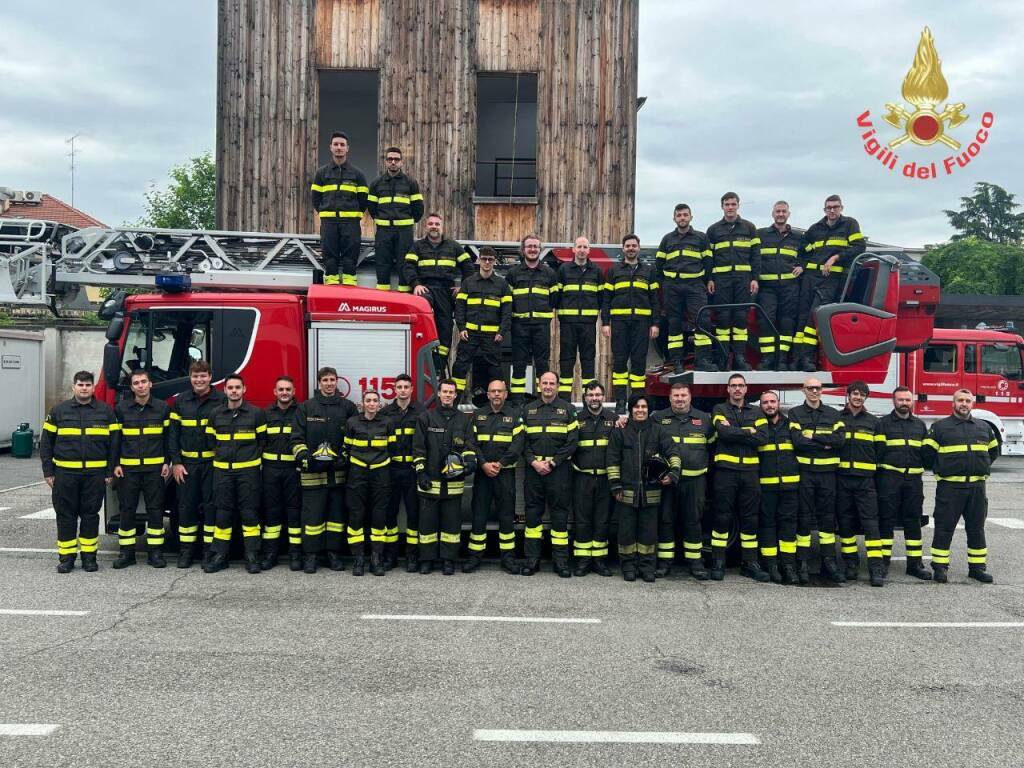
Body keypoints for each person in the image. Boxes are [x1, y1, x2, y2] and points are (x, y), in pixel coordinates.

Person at [40, 371, 118, 573]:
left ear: (93, 388)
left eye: (87, 385)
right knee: (65, 516)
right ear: (73, 387)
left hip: (95, 475)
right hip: (65, 475)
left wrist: (109, 471)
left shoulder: (106, 412)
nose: (84, 388)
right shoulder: (58, 411)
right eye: (80, 385)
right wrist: (48, 471)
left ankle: (89, 558)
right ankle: (66, 558)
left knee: (91, 516)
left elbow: (114, 445)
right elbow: (46, 444)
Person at [922, 389, 1000, 584]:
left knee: (976, 529)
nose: (964, 404)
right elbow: (926, 455)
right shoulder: (940, 427)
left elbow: (993, 452)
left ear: (972, 404)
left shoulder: (983, 427)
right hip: (950, 489)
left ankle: (977, 568)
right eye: (960, 400)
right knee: (944, 528)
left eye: (967, 401)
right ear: (953, 403)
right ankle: (940, 568)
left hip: (976, 488)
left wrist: (976, 468)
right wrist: (944, 469)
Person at [607, 394, 680, 582]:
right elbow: (613, 460)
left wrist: (673, 474)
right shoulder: (620, 432)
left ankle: (647, 567)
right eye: (637, 407)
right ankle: (628, 566)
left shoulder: (658, 431)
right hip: (626, 492)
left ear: (649, 410)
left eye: (644, 407)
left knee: (649, 532)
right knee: (626, 532)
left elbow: (673, 452)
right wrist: (615, 485)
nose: (640, 410)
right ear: (631, 409)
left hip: (651, 492)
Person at [291, 366, 357, 574]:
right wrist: (304, 458)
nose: (329, 383)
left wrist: (345, 458)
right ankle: (311, 556)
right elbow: (296, 438)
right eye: (325, 380)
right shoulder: (306, 408)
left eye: (332, 379)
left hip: (338, 475)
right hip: (312, 474)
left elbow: (356, 436)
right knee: (312, 518)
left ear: (337, 381)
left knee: (336, 517)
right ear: (319, 383)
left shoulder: (347, 407)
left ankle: (333, 554)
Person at [792, 195, 866, 371]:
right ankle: (796, 359)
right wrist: (802, 266)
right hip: (810, 277)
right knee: (802, 316)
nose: (832, 210)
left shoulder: (850, 224)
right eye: (829, 207)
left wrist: (836, 257)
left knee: (814, 316)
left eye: (835, 207)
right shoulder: (815, 228)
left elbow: (859, 247)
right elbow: (802, 249)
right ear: (824, 209)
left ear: (841, 208)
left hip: (831, 279)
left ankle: (808, 359)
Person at [412, 379, 477, 575]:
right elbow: (418, 448)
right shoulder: (426, 418)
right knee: (427, 524)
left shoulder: (464, 419)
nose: (448, 395)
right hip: (429, 482)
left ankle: (448, 560)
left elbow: (468, 445)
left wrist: (469, 463)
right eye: (445, 392)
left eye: (451, 392)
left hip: (453, 483)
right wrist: (421, 471)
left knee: (451, 525)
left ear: (455, 395)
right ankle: (427, 560)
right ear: (438, 394)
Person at [204, 374, 267, 574]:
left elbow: (262, 441)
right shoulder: (215, 414)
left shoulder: (256, 414)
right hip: (223, 473)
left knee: (250, 514)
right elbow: (210, 442)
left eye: (237, 387)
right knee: (222, 515)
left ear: (244, 389)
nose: (234, 391)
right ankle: (220, 556)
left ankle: (252, 556)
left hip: (248, 473)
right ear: (225, 390)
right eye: (230, 387)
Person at [710, 373, 769, 581]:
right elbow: (723, 433)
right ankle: (718, 561)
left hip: (750, 474)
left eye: (740, 386)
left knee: (750, 519)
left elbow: (762, 438)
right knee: (722, 517)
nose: (737, 389)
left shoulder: (757, 411)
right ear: (728, 389)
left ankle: (750, 563)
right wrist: (748, 431)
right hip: (726, 472)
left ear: (746, 389)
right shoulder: (719, 409)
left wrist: (735, 430)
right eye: (733, 385)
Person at [788, 376, 846, 584]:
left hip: (828, 475)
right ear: (803, 390)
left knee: (827, 519)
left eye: (818, 388)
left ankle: (828, 562)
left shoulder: (833, 413)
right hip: (805, 474)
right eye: (810, 388)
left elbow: (839, 441)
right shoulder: (795, 413)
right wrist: (824, 444)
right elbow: (798, 442)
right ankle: (802, 562)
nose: (815, 391)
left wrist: (813, 437)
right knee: (803, 519)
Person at [169, 360, 226, 569]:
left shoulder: (222, 399)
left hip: (212, 464)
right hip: (187, 466)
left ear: (210, 377)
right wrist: (176, 462)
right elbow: (173, 435)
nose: (199, 380)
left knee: (212, 509)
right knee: (186, 509)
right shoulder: (181, 401)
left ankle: (208, 552)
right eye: (195, 376)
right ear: (190, 378)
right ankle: (186, 552)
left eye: (203, 376)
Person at [112, 369, 171, 570]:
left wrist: (167, 462)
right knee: (126, 510)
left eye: (144, 382)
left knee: (155, 510)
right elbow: (115, 440)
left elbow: (169, 438)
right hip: (128, 470)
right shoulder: (121, 409)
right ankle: (126, 553)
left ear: (150, 384)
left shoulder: (162, 408)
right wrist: (115, 464)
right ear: (132, 387)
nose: (141, 385)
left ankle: (155, 553)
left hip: (155, 469)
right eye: (136, 383)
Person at [520, 371, 579, 576]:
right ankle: (531, 561)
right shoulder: (528, 410)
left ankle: (560, 562)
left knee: (560, 517)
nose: (547, 386)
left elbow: (572, 442)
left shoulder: (568, 410)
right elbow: (523, 442)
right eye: (544, 383)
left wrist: (553, 462)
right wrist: (534, 462)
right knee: (532, 518)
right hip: (534, 471)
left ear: (558, 386)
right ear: (539, 385)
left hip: (558, 471)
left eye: (551, 383)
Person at [652, 381, 712, 580]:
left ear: (690, 397)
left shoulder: (704, 419)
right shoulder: (658, 418)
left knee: (693, 521)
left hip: (695, 481)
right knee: (666, 520)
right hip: (668, 481)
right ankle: (664, 562)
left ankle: (695, 562)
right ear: (670, 398)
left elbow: (713, 447)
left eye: (683, 396)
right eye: (676, 396)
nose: (679, 399)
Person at [404, 212, 473, 374]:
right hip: (425, 288)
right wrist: (416, 284)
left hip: (445, 291)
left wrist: (463, 287)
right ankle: (421, 364)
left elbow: (468, 267)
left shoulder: (454, 246)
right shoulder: (418, 246)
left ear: (442, 227)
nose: (434, 226)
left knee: (445, 329)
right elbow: (408, 267)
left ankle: (438, 368)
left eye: (437, 224)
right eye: (431, 224)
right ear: (426, 226)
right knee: (422, 325)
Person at [467, 379, 524, 575]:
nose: (496, 394)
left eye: (500, 391)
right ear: (488, 394)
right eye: (493, 391)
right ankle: (475, 557)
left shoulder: (515, 415)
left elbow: (518, 444)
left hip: (505, 473)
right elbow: (471, 443)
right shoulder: (478, 414)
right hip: (483, 474)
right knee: (478, 515)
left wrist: (500, 464)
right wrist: (483, 463)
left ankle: (508, 558)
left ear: (506, 394)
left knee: (507, 516)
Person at [875, 386, 931, 580]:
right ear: (894, 401)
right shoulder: (882, 424)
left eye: (907, 400)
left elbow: (926, 453)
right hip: (889, 480)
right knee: (886, 520)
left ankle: (914, 564)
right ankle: (882, 563)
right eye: (901, 400)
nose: (904, 403)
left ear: (912, 401)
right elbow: (878, 452)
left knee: (913, 521)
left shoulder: (920, 425)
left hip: (913, 481)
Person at [602, 233, 660, 413]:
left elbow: (655, 299)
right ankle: (620, 401)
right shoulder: (613, 271)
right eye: (628, 246)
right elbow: (606, 299)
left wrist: (655, 324)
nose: (631, 248)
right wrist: (605, 323)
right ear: (623, 248)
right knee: (619, 363)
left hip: (641, 324)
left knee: (638, 363)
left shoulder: (649, 271)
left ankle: (636, 402)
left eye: (634, 245)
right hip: (619, 324)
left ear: (639, 248)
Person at [836, 381, 886, 587]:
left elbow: (881, 449)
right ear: (848, 395)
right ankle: (851, 564)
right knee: (845, 525)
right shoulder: (837, 419)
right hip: (843, 479)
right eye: (855, 393)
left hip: (865, 481)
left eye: (862, 394)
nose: (858, 397)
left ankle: (876, 568)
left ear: (866, 398)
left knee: (871, 525)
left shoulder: (874, 422)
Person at [655, 204, 715, 373]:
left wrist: (708, 279)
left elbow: (709, 262)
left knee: (702, 321)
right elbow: (659, 264)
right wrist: (664, 284)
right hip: (672, 287)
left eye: (685, 215)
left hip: (695, 286)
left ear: (691, 217)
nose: (682, 218)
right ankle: (676, 362)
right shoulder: (667, 239)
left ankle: (702, 360)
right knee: (674, 324)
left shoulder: (701, 238)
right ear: (674, 218)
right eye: (679, 215)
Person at [706, 192, 760, 371]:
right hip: (721, 281)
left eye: (733, 204)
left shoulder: (749, 228)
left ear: (738, 205)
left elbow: (756, 256)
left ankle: (739, 358)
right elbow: (708, 258)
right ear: (722, 206)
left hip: (743, 281)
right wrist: (710, 279)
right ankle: (722, 358)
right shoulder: (713, 230)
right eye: (727, 204)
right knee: (722, 319)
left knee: (740, 318)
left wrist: (754, 279)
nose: (730, 207)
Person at [451, 246, 512, 398]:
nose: (486, 262)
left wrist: (501, 332)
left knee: (495, 369)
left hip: (492, 336)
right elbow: (460, 307)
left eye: (490, 260)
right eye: (484, 259)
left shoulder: (502, 285)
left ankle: (497, 399)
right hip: (469, 334)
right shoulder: (468, 283)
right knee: (460, 366)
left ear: (494, 262)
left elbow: (507, 312)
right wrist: (461, 328)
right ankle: (455, 399)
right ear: (478, 260)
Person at [345, 390, 393, 576]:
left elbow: (393, 448)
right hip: (357, 474)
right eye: (368, 400)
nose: (372, 404)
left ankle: (376, 558)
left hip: (381, 474)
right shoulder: (352, 423)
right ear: (362, 403)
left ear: (379, 404)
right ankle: (358, 559)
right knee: (356, 515)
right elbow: (347, 448)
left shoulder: (387, 423)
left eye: (375, 401)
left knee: (379, 516)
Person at [572, 381, 617, 577]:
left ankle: (599, 561)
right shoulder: (576, 419)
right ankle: (583, 561)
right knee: (582, 520)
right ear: (585, 397)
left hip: (605, 479)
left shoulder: (613, 419)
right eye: (591, 395)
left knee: (602, 520)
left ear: (603, 397)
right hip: (582, 478)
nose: (594, 398)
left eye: (598, 395)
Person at [311, 131, 368, 286]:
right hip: (329, 222)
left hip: (351, 224)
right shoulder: (321, 174)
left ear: (347, 148)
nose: (339, 147)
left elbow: (363, 201)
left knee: (350, 257)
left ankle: (349, 289)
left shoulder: (358, 174)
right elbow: (315, 198)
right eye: (336, 144)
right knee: (330, 257)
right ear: (330, 147)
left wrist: (354, 215)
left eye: (342, 145)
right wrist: (325, 212)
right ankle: (331, 288)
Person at [382, 374, 426, 571]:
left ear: (411, 389)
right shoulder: (385, 413)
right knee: (389, 514)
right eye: (399, 387)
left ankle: (412, 556)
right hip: (390, 470)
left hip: (412, 470)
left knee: (413, 514)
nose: (402, 390)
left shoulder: (421, 412)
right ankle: (390, 556)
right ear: (394, 389)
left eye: (406, 386)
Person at [507, 234, 559, 403]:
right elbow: (508, 302)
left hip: (541, 327)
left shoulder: (550, 274)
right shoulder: (513, 273)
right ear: (523, 250)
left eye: (535, 246)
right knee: (519, 365)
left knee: (542, 365)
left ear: (540, 249)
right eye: (529, 246)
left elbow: (555, 300)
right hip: (519, 326)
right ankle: (517, 402)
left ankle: (542, 402)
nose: (532, 249)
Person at [757, 390, 800, 584]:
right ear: (761, 406)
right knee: (768, 526)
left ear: (778, 403)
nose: (769, 405)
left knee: (788, 527)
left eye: (772, 401)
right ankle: (771, 565)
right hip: (766, 487)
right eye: (765, 403)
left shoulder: (791, 425)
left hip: (790, 487)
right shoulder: (758, 426)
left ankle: (788, 565)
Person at [754, 201, 803, 370]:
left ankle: (782, 360)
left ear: (788, 214)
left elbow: (808, 255)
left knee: (787, 323)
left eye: (783, 211)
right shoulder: (760, 235)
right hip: (767, 288)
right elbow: (752, 256)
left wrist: (802, 265)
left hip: (790, 287)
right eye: (777, 211)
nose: (780, 214)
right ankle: (768, 359)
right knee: (765, 321)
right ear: (772, 214)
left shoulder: (799, 237)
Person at [367, 146, 423, 291]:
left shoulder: (411, 183)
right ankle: (383, 295)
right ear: (385, 162)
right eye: (390, 159)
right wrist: (382, 220)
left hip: (404, 231)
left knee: (404, 263)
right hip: (384, 230)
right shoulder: (376, 183)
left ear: (401, 162)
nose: (393, 162)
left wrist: (407, 222)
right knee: (382, 262)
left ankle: (404, 296)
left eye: (396, 159)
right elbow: (371, 208)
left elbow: (418, 209)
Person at [259, 376, 301, 571]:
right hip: (270, 471)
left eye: (288, 389)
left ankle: (295, 554)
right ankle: (270, 554)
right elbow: (259, 442)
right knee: (271, 512)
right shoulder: (265, 413)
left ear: (293, 392)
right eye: (281, 389)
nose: (284, 393)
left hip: (293, 471)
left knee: (294, 513)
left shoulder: (301, 412)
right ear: (275, 392)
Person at [554, 236, 603, 396]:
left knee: (588, 360)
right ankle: (564, 400)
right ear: (573, 249)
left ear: (589, 250)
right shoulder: (563, 270)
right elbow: (556, 296)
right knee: (566, 361)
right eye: (579, 247)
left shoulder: (596, 271)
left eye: (585, 247)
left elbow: (601, 298)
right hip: (568, 324)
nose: (582, 250)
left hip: (588, 325)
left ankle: (589, 398)